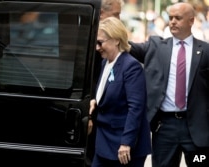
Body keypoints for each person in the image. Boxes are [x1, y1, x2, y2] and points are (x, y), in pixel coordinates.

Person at [129, 2, 209, 167]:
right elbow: (128, 47)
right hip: (165, 128)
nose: (172, 22)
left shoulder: (205, 51)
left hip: (195, 129)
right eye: (171, 18)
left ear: (191, 21)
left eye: (178, 18)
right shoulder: (156, 47)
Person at [88, 16, 151, 167]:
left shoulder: (131, 66)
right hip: (105, 140)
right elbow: (109, 91)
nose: (97, 47)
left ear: (116, 40)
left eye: (100, 42)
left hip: (124, 146)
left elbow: (135, 108)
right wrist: (95, 100)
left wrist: (126, 143)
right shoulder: (106, 62)